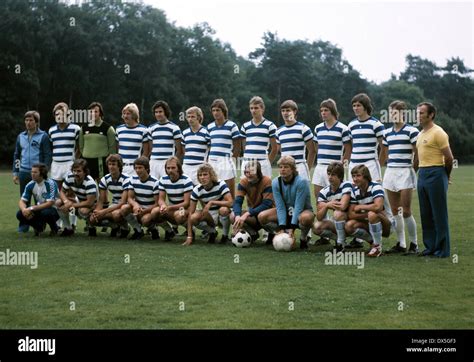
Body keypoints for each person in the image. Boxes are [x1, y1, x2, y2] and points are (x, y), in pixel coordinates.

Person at [379, 100, 419, 254]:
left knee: (407, 211)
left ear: (403, 113)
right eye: (391, 113)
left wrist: (411, 171)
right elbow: (384, 154)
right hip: (390, 172)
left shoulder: (412, 131)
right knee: (396, 211)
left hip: (405, 172)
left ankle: (414, 244)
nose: (393, 115)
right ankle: (401, 243)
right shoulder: (387, 133)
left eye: (396, 112)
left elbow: (418, 155)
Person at [415, 102, 453, 258]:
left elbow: (449, 158)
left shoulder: (439, 133)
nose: (419, 115)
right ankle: (430, 247)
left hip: (436, 172)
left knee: (439, 213)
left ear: (431, 115)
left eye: (422, 113)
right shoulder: (420, 134)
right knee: (426, 213)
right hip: (422, 174)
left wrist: (445, 174)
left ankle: (443, 249)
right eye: (418, 113)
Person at [312, 98, 351, 245]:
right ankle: (325, 235)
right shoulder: (318, 128)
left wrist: (342, 165)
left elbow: (348, 148)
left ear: (333, 111)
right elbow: (316, 148)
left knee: (339, 202)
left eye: (326, 110)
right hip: (320, 167)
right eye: (321, 110)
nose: (323, 113)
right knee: (320, 201)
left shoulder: (343, 128)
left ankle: (342, 234)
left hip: (335, 168)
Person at [13, 111, 52, 232]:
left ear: (36, 122)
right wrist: (16, 172)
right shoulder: (21, 136)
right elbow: (17, 155)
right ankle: (24, 225)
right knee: (25, 199)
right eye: (26, 120)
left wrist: (44, 172)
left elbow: (47, 155)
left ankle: (39, 225)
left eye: (31, 120)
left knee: (39, 201)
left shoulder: (43, 136)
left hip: (38, 174)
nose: (28, 123)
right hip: (24, 172)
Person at [345, 165, 391, 257]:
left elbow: (378, 207)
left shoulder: (376, 187)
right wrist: (368, 215)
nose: (355, 179)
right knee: (349, 226)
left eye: (358, 176)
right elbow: (351, 214)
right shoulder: (355, 191)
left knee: (372, 214)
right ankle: (373, 243)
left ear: (366, 176)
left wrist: (361, 207)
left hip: (388, 223)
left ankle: (378, 248)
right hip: (370, 220)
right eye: (353, 176)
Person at [269, 156, 314, 249]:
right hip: (285, 212)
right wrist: (281, 227)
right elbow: (280, 207)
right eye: (280, 167)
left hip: (301, 212)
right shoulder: (275, 182)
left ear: (293, 169)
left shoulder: (302, 182)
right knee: (263, 217)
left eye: (286, 167)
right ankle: (280, 234)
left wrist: (292, 229)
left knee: (307, 218)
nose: (282, 169)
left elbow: (299, 206)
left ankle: (303, 238)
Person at [183, 163, 233, 246]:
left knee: (223, 210)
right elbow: (191, 213)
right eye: (200, 175)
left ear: (211, 175)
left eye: (205, 174)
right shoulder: (197, 190)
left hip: (221, 214)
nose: (202, 177)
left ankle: (225, 236)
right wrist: (189, 236)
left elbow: (231, 203)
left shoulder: (220, 184)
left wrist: (212, 202)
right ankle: (212, 232)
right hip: (209, 215)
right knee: (193, 217)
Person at [150, 156, 194, 241]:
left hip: (184, 209)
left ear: (178, 168)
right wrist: (163, 206)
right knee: (155, 212)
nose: (170, 170)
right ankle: (169, 231)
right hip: (172, 209)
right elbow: (161, 199)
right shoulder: (163, 179)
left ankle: (191, 230)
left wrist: (169, 207)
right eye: (168, 168)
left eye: (173, 168)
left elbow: (186, 203)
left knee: (179, 215)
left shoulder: (186, 180)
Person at [231, 160, 275, 243]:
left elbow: (267, 204)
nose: (248, 174)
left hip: (268, 216)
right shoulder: (243, 181)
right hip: (254, 215)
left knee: (262, 215)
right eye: (246, 172)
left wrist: (247, 214)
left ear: (258, 172)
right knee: (232, 215)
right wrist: (237, 216)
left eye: (251, 172)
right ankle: (253, 233)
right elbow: (237, 202)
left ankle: (273, 232)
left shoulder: (266, 181)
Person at [313, 162, 352, 252]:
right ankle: (340, 240)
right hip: (339, 222)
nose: (330, 177)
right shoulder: (324, 192)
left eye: (333, 174)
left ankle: (373, 242)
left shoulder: (347, 185)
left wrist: (328, 204)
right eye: (329, 174)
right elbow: (319, 217)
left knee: (337, 213)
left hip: (353, 221)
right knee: (316, 226)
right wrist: (327, 205)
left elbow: (343, 206)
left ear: (340, 176)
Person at [90, 154, 131, 238]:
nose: (111, 167)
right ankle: (114, 227)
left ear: (119, 166)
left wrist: (103, 212)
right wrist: (97, 211)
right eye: (109, 164)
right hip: (115, 205)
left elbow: (122, 202)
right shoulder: (105, 179)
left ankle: (125, 228)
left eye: (114, 164)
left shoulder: (126, 179)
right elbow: (101, 200)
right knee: (93, 218)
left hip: (126, 205)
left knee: (116, 215)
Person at [207, 98, 241, 199]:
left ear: (223, 111)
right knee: (215, 190)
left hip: (226, 160)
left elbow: (237, 147)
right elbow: (209, 146)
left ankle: (233, 212)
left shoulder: (232, 126)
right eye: (213, 110)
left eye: (218, 110)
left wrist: (232, 160)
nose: (215, 113)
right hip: (212, 161)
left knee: (230, 194)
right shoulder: (209, 127)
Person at [119, 156, 159, 240]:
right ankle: (138, 230)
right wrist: (135, 205)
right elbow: (129, 198)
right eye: (136, 168)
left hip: (150, 210)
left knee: (145, 220)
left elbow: (157, 203)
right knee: (124, 208)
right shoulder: (132, 179)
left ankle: (154, 229)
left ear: (147, 169)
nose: (137, 170)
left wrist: (144, 211)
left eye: (140, 168)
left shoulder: (155, 182)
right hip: (138, 209)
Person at [348, 93, 385, 181]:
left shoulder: (376, 124)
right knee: (353, 194)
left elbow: (384, 148)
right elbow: (353, 147)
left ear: (365, 106)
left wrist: (378, 166)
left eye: (358, 105)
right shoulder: (351, 125)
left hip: (370, 165)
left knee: (373, 193)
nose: (355, 108)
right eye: (354, 106)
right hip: (354, 165)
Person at [55, 159, 98, 236]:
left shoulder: (89, 182)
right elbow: (61, 192)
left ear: (85, 172)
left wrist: (71, 205)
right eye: (74, 171)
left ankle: (91, 226)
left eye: (79, 171)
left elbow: (90, 203)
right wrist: (66, 201)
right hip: (79, 203)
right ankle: (68, 228)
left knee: (83, 211)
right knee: (58, 203)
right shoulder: (70, 177)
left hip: (94, 206)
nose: (75, 173)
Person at [275, 100, 315, 181]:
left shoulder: (304, 129)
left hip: (300, 167)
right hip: (284, 168)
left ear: (295, 111)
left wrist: (307, 168)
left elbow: (312, 151)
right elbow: (280, 151)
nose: (285, 113)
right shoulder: (278, 131)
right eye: (283, 111)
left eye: (288, 110)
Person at [240, 96, 279, 178]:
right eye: (251, 108)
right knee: (246, 189)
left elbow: (275, 148)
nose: (253, 110)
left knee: (263, 190)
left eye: (256, 108)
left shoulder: (270, 126)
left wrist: (267, 163)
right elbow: (244, 148)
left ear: (262, 109)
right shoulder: (245, 126)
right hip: (247, 163)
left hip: (263, 164)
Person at [16, 163, 59, 236]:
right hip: (39, 208)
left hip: (55, 210)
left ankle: (54, 228)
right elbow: (22, 201)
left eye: (35, 172)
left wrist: (31, 208)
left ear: (42, 173)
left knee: (46, 213)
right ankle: (38, 227)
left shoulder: (51, 183)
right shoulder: (30, 184)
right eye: (32, 172)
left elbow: (50, 203)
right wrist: (24, 210)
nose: (32, 174)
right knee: (20, 214)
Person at [79, 101, 117, 181]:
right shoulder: (83, 128)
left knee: (102, 187)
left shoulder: (108, 128)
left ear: (100, 113)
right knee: (88, 187)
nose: (93, 114)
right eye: (91, 112)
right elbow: (81, 146)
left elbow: (112, 148)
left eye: (95, 111)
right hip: (86, 162)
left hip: (101, 163)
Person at [48, 102, 81, 190]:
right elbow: (52, 147)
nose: (59, 116)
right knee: (56, 191)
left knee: (70, 190)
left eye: (62, 114)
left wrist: (75, 161)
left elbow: (79, 147)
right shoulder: (51, 130)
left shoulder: (75, 128)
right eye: (57, 114)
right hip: (56, 164)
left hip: (69, 164)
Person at [148, 100, 183, 181]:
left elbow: (179, 150)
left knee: (167, 187)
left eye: (160, 111)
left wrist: (172, 162)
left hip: (166, 162)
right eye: (156, 112)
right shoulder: (151, 128)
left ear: (165, 112)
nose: (158, 114)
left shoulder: (174, 128)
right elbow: (151, 148)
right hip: (153, 162)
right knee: (153, 187)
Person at [116, 103, 151, 176]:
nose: (125, 116)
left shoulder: (143, 130)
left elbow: (146, 151)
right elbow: (117, 149)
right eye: (124, 113)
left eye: (128, 114)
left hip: (135, 168)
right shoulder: (119, 129)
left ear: (134, 115)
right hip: (121, 167)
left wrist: (140, 165)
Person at [181, 106, 210, 185]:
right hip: (186, 167)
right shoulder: (184, 133)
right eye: (188, 117)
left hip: (200, 166)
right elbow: (184, 150)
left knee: (199, 192)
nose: (190, 119)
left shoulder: (206, 132)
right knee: (186, 191)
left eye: (193, 117)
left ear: (199, 117)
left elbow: (210, 149)